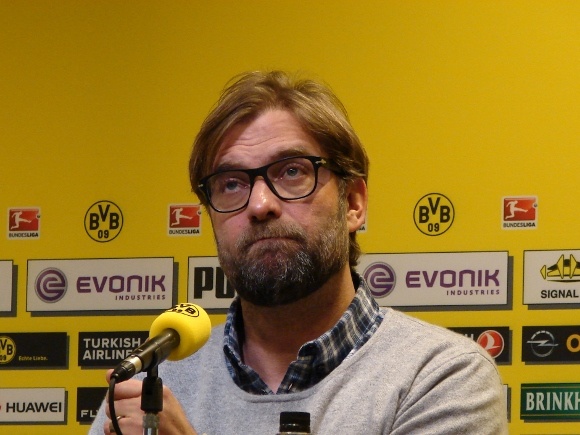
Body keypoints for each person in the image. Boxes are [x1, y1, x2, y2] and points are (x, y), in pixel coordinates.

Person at [90, 70, 507, 434]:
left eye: (292, 171)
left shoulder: (439, 375)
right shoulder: (156, 382)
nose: (260, 205)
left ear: (353, 203)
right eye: (231, 183)